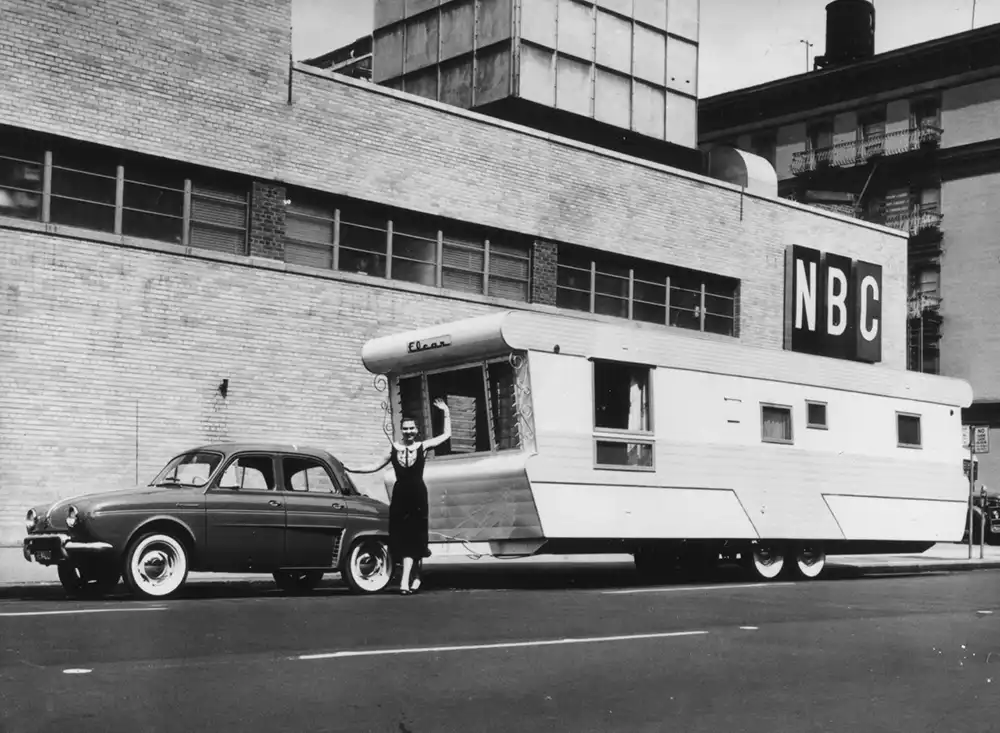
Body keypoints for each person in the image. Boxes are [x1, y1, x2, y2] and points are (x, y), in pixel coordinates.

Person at [343, 398, 451, 595]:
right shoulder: (393, 449)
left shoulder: (422, 447)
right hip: (400, 496)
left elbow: (446, 435)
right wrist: (351, 469)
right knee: (402, 537)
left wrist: (445, 412)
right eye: (406, 428)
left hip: (417, 495)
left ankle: (405, 582)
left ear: (417, 430)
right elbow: (373, 466)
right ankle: (415, 575)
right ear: (402, 430)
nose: (409, 431)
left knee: (416, 536)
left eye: (412, 428)